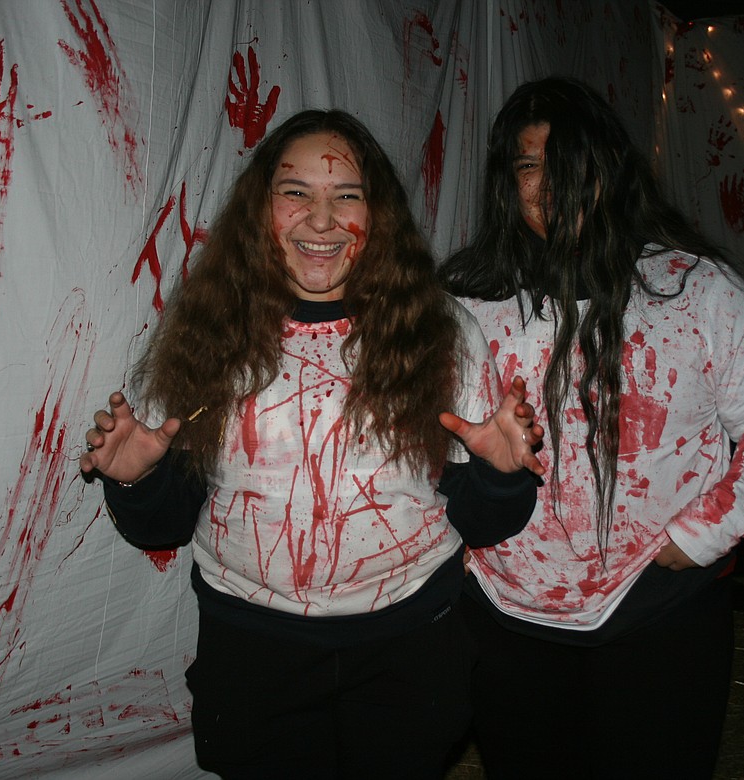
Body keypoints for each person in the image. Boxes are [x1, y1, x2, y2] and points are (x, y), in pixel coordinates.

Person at [80, 109, 545, 779]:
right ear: (260, 210)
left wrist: (502, 477)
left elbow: (484, 519)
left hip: (410, 651)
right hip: (255, 653)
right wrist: (136, 481)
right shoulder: (210, 331)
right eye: (295, 193)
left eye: (346, 196)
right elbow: (166, 522)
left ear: (377, 216)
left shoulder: (439, 332)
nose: (321, 221)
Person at [439, 77, 744, 779]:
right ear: (507, 180)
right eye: (529, 165)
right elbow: (426, 443)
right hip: (506, 617)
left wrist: (704, 533)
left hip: (660, 613)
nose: (550, 184)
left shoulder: (692, 288)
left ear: (609, 168)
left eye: (570, 161)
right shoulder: (468, 300)